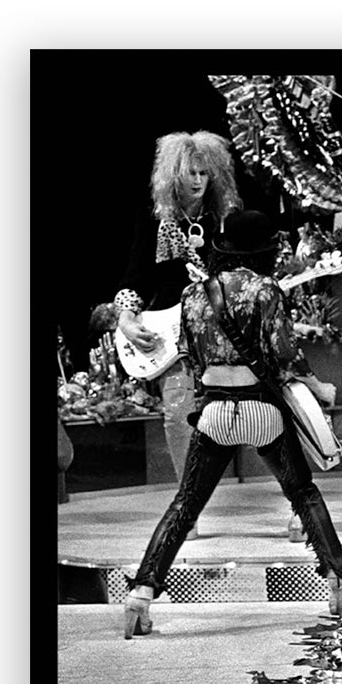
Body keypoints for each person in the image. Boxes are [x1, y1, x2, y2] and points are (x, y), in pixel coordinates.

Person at [121, 210, 342, 639]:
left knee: (186, 503)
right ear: (264, 250)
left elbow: (190, 355)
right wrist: (320, 388)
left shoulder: (193, 295)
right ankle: (337, 581)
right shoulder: (265, 289)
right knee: (303, 493)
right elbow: (286, 355)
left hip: (214, 413)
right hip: (262, 411)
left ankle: (141, 593)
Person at [114, 131, 241, 488]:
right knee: (177, 414)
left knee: (237, 413)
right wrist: (126, 319)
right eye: (190, 173)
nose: (198, 180)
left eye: (204, 173)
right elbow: (137, 275)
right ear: (173, 175)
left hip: (216, 331)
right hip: (171, 332)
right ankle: (189, 497)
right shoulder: (155, 219)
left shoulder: (225, 220)